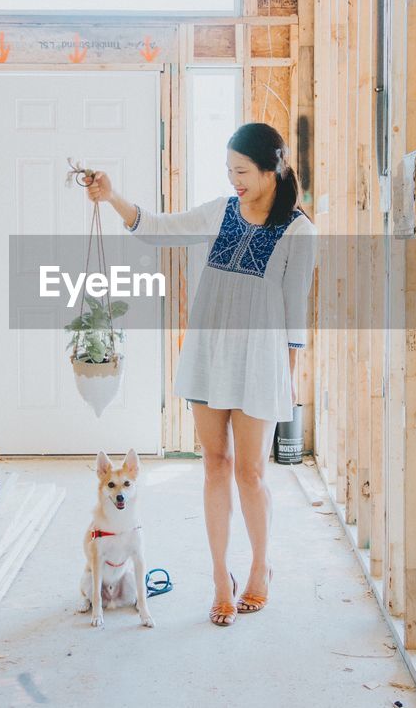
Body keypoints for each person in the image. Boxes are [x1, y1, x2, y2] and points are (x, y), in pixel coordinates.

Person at [85, 122, 317, 627]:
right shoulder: (220, 212)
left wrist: (290, 375)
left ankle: (260, 567)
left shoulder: (300, 231)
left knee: (251, 473)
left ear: (271, 168)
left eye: (242, 171)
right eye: (229, 170)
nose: (233, 180)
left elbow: (295, 310)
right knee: (215, 464)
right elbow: (157, 227)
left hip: (260, 361)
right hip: (209, 353)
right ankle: (219, 577)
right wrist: (112, 196)